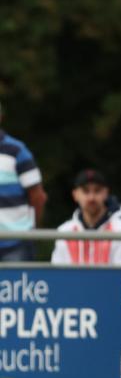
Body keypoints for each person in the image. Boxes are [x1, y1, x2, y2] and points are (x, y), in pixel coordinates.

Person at [51, 169, 121, 265]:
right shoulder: (64, 231)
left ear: (106, 193)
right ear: (75, 195)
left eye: (97, 190)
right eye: (86, 191)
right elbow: (57, 274)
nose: (91, 197)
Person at [0, 100, 47, 262]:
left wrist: (30, 231)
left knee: (19, 288)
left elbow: (38, 196)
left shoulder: (17, 150)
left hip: (16, 242)